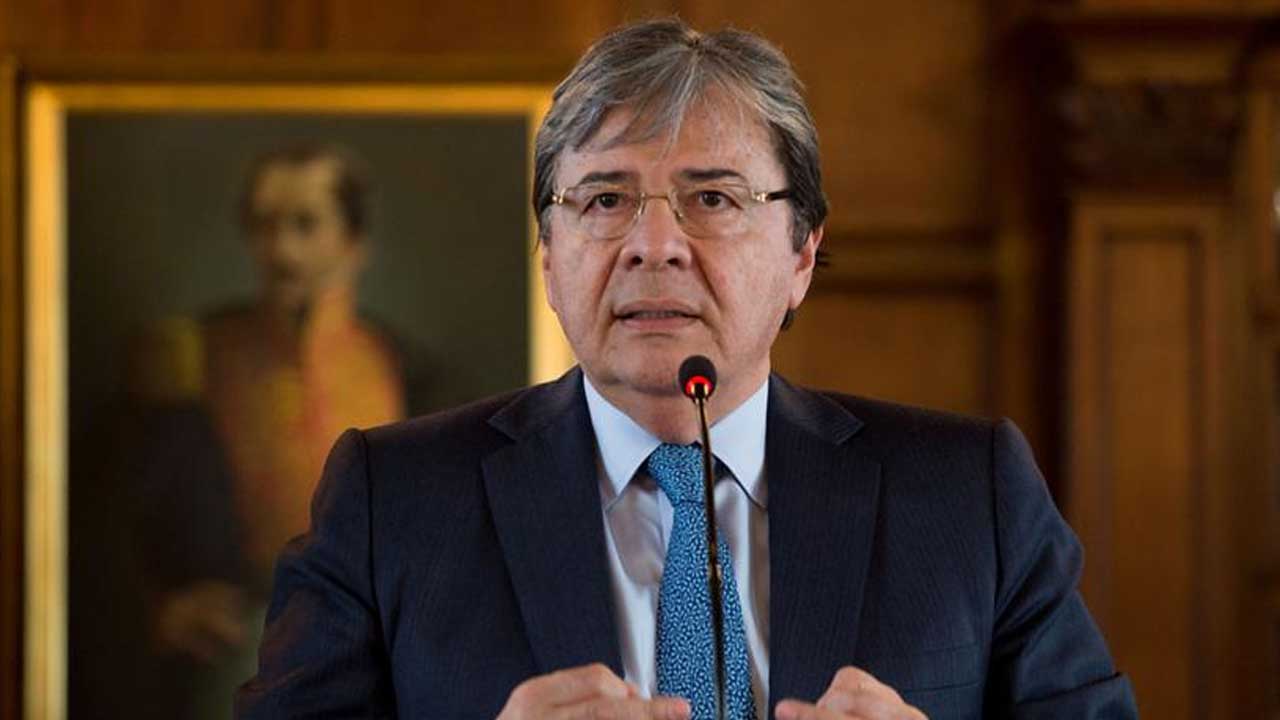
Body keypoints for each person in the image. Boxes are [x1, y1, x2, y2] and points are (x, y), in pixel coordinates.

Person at [236, 19, 1137, 720]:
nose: (653, 245)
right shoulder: (390, 504)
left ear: (802, 253)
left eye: (712, 197)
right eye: (605, 199)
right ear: (548, 256)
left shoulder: (968, 498)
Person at [119, 143, 408, 719]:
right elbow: (102, 524)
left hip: (375, 656)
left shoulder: (402, 368)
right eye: (264, 226)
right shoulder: (186, 360)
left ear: (354, 243)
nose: (281, 250)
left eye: (304, 225)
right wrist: (155, 608)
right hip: (233, 654)